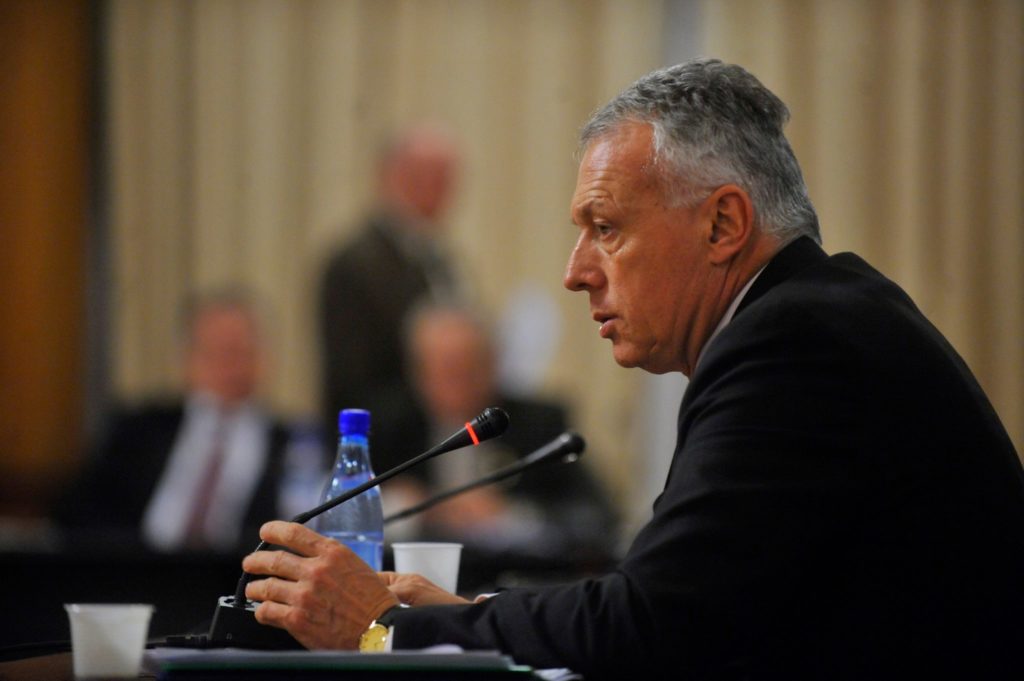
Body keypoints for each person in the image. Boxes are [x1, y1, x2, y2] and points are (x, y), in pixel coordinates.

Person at [239, 59, 1024, 678]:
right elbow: (677, 603)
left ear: (723, 223)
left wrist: (385, 626)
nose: (575, 272)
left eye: (606, 228)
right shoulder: (814, 317)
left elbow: (652, 624)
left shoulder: (795, 346)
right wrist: (461, 612)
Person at [373, 302, 618, 566]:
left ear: (494, 364)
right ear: (418, 373)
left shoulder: (538, 424)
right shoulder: (388, 426)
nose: (461, 382)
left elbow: (594, 518)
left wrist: (510, 516)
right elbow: (351, 516)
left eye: (472, 366)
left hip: (512, 575)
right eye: (447, 369)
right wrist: (416, 507)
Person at [56, 290, 298, 553]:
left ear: (263, 358)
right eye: (215, 352)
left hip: (237, 572)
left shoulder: (295, 444)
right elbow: (79, 515)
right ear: (188, 358)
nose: (229, 366)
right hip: (137, 565)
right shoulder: (138, 431)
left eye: (239, 351)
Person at [318, 124, 462, 437]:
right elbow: (352, 381)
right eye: (431, 178)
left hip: (432, 430)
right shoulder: (354, 265)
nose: (444, 191)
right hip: (383, 437)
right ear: (392, 177)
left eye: (448, 180)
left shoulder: (439, 259)